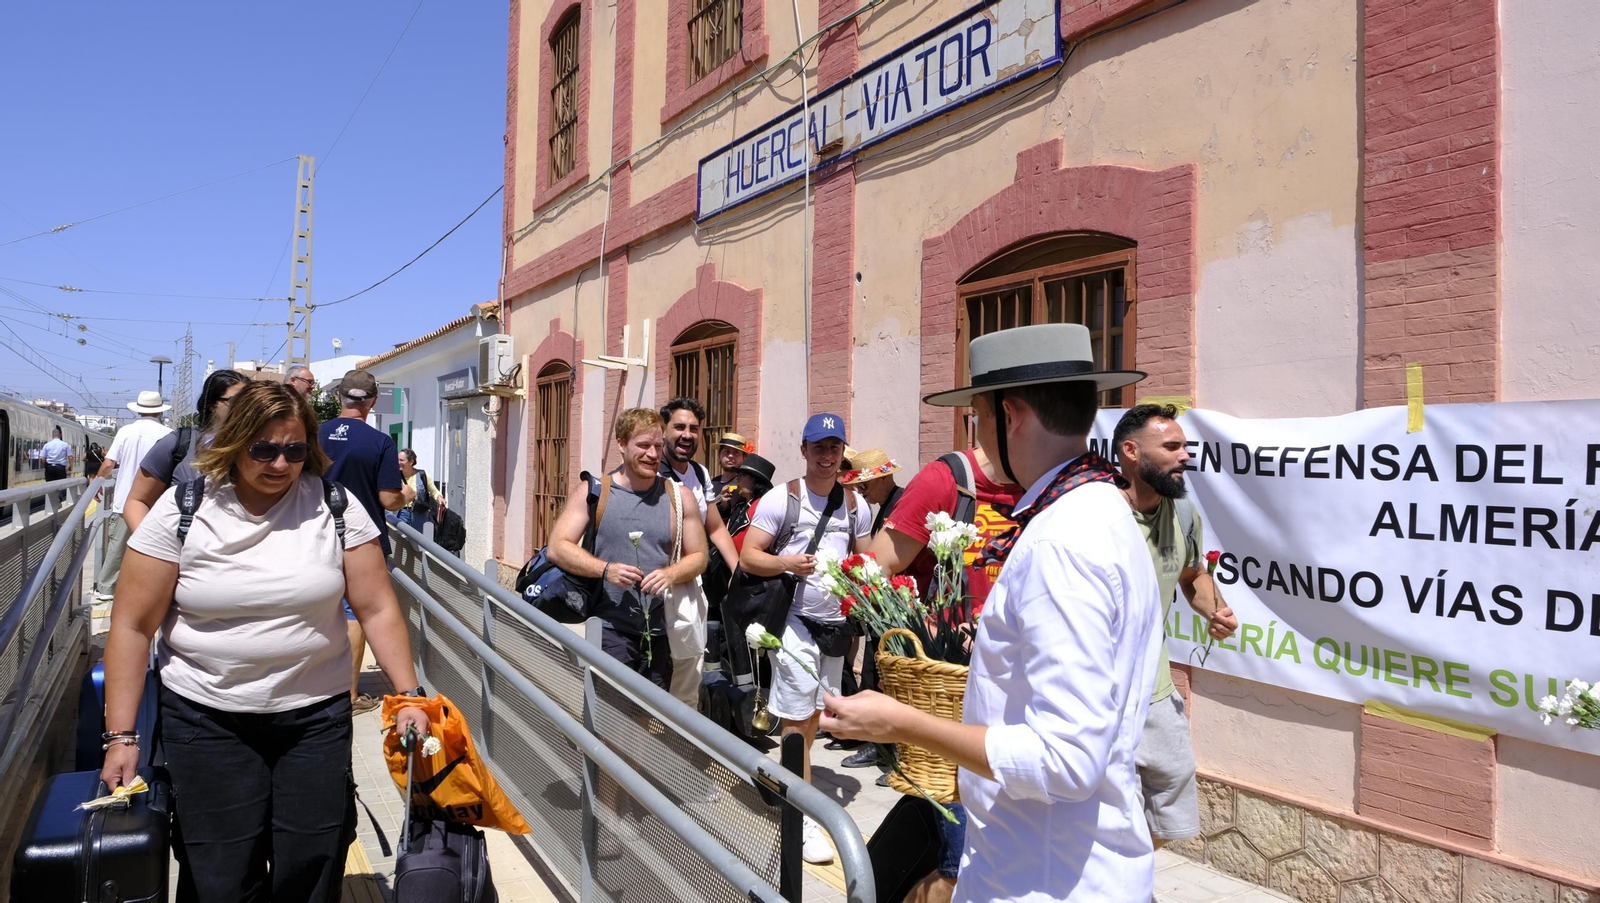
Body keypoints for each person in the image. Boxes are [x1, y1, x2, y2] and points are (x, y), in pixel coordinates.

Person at [822, 323, 1164, 902]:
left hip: (1046, 879)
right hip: (1046, 862)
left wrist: (902, 723)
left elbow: (1064, 760)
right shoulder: (1101, 509)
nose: (975, 436)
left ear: (1010, 417)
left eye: (976, 418)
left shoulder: (1064, 541)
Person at [100, 380, 429, 902]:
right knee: (222, 872)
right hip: (206, 720)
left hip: (314, 721)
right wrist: (122, 737)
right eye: (264, 449)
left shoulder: (335, 506)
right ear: (235, 442)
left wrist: (410, 695)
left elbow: (377, 606)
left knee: (313, 863)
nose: (281, 463)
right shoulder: (183, 507)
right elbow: (132, 626)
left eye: (295, 450)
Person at [855, 438, 1026, 899]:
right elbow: (874, 571)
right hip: (955, 693)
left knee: (957, 842)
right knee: (958, 863)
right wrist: (935, 630)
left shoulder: (1056, 486)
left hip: (1024, 704)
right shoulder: (948, 481)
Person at [740, 412, 870, 865]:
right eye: (819, 447)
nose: (827, 456)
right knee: (797, 718)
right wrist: (788, 565)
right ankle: (803, 819)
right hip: (792, 620)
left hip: (835, 628)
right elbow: (750, 557)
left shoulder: (857, 505)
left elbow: (865, 560)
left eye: (834, 447)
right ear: (804, 450)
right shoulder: (783, 499)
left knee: (818, 713)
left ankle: (786, 776)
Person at [1113, 404, 1239, 851]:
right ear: (1131, 451)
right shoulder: (1097, 516)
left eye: (1185, 446)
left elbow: (1191, 576)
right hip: (1098, 695)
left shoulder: (1183, 513)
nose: (1185, 455)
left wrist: (1215, 610)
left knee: (1169, 818)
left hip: (1157, 691)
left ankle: (1121, 881)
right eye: (1171, 446)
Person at [547, 408, 708, 689]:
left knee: (654, 721)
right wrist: (605, 569)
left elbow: (699, 556)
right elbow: (558, 547)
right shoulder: (595, 492)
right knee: (613, 714)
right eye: (643, 446)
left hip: (663, 629)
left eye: (658, 446)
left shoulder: (679, 497)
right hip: (610, 628)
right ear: (621, 444)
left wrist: (671, 574)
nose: (652, 454)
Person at [319, 369, 410, 714]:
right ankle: (349, 694)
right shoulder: (379, 442)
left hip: (314, 534)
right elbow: (388, 500)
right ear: (372, 402)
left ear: (338, 396)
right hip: (361, 541)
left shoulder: (315, 433)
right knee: (353, 614)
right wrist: (407, 496)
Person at [658, 398, 743, 705]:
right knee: (655, 665)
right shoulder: (650, 472)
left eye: (694, 428)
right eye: (679, 427)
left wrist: (737, 570)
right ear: (663, 430)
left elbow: (716, 527)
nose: (687, 434)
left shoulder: (700, 473)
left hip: (689, 583)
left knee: (689, 664)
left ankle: (680, 740)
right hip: (652, 582)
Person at [122, 369, 248, 532]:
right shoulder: (178, 444)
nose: (246, 408)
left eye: (250, 402)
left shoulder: (262, 448)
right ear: (212, 405)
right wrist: (151, 547)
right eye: (237, 401)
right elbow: (137, 502)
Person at [94, 391, 174, 602]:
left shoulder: (126, 432)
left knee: (117, 547)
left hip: (124, 502)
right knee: (155, 548)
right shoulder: (169, 434)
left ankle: (106, 589)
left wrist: (96, 485)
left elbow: (109, 463)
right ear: (159, 411)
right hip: (157, 503)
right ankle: (151, 591)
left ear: (138, 410)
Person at [839, 448, 902, 535]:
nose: (860, 491)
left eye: (863, 485)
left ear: (884, 478)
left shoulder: (901, 504)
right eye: (857, 487)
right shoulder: (889, 503)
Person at [397, 448, 442, 527]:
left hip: (420, 514)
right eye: (397, 460)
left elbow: (434, 492)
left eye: (401, 460)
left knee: (418, 538)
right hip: (401, 513)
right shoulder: (394, 476)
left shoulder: (422, 475)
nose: (398, 462)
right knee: (402, 538)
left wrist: (440, 498)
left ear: (411, 462)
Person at [711, 432, 752, 516]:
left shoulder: (746, 486)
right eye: (726, 451)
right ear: (719, 455)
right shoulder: (710, 484)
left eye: (736, 452)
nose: (730, 456)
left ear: (744, 458)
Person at [41, 426, 72, 500]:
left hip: (50, 467)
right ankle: (59, 498)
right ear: (60, 435)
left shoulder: (47, 445)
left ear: (52, 435)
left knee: (50, 484)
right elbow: (70, 456)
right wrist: (70, 466)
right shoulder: (65, 445)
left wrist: (45, 465)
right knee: (61, 485)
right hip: (60, 468)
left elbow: (42, 458)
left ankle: (51, 499)